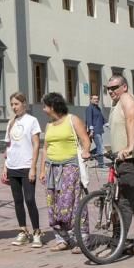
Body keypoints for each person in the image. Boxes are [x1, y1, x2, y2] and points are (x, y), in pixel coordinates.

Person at [39, 93, 91, 252]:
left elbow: (85, 139)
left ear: (53, 106)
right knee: (53, 204)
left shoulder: (72, 119)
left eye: (45, 106)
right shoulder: (49, 125)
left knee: (72, 203)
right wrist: (42, 170)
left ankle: (80, 239)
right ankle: (62, 239)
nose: (43, 109)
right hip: (52, 169)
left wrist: (86, 152)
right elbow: (46, 149)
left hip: (70, 168)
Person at [107, 75, 134, 256]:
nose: (111, 91)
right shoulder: (116, 104)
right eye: (109, 88)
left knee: (124, 202)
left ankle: (117, 244)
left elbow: (132, 120)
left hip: (131, 160)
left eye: (115, 87)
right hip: (124, 160)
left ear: (125, 87)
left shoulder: (127, 98)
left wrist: (129, 147)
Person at [2, 93, 42, 247]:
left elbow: (36, 144)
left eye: (16, 104)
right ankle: (23, 231)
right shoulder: (11, 122)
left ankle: (37, 232)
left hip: (26, 166)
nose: (14, 107)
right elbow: (8, 146)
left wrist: (33, 167)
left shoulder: (32, 121)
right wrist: (5, 166)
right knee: (17, 201)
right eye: (12, 104)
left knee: (30, 199)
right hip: (12, 165)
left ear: (24, 103)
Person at [85, 94, 106, 168]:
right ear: (91, 100)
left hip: (99, 129)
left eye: (97, 99)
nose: (96, 100)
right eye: (94, 99)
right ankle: (101, 164)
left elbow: (101, 117)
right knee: (100, 147)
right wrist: (91, 130)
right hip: (94, 130)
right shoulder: (89, 108)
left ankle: (90, 154)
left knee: (99, 146)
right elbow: (89, 119)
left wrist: (106, 123)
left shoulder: (98, 108)